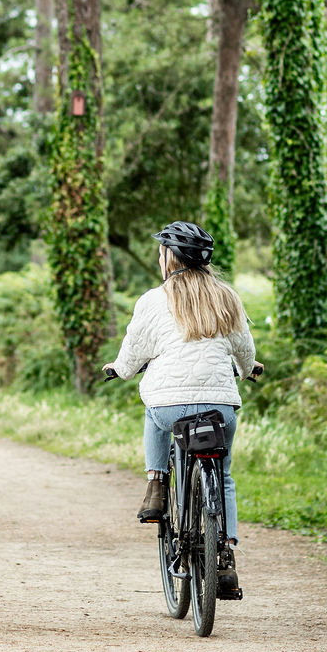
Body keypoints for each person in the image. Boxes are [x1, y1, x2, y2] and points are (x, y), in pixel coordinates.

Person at [102, 220, 258, 599]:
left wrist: (119, 370)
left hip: (169, 406)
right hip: (220, 406)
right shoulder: (227, 297)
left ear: (170, 257)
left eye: (161, 251)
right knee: (222, 475)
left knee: (153, 407)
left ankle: (156, 484)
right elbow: (244, 348)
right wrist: (249, 370)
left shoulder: (153, 300)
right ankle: (225, 554)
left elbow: (134, 350)